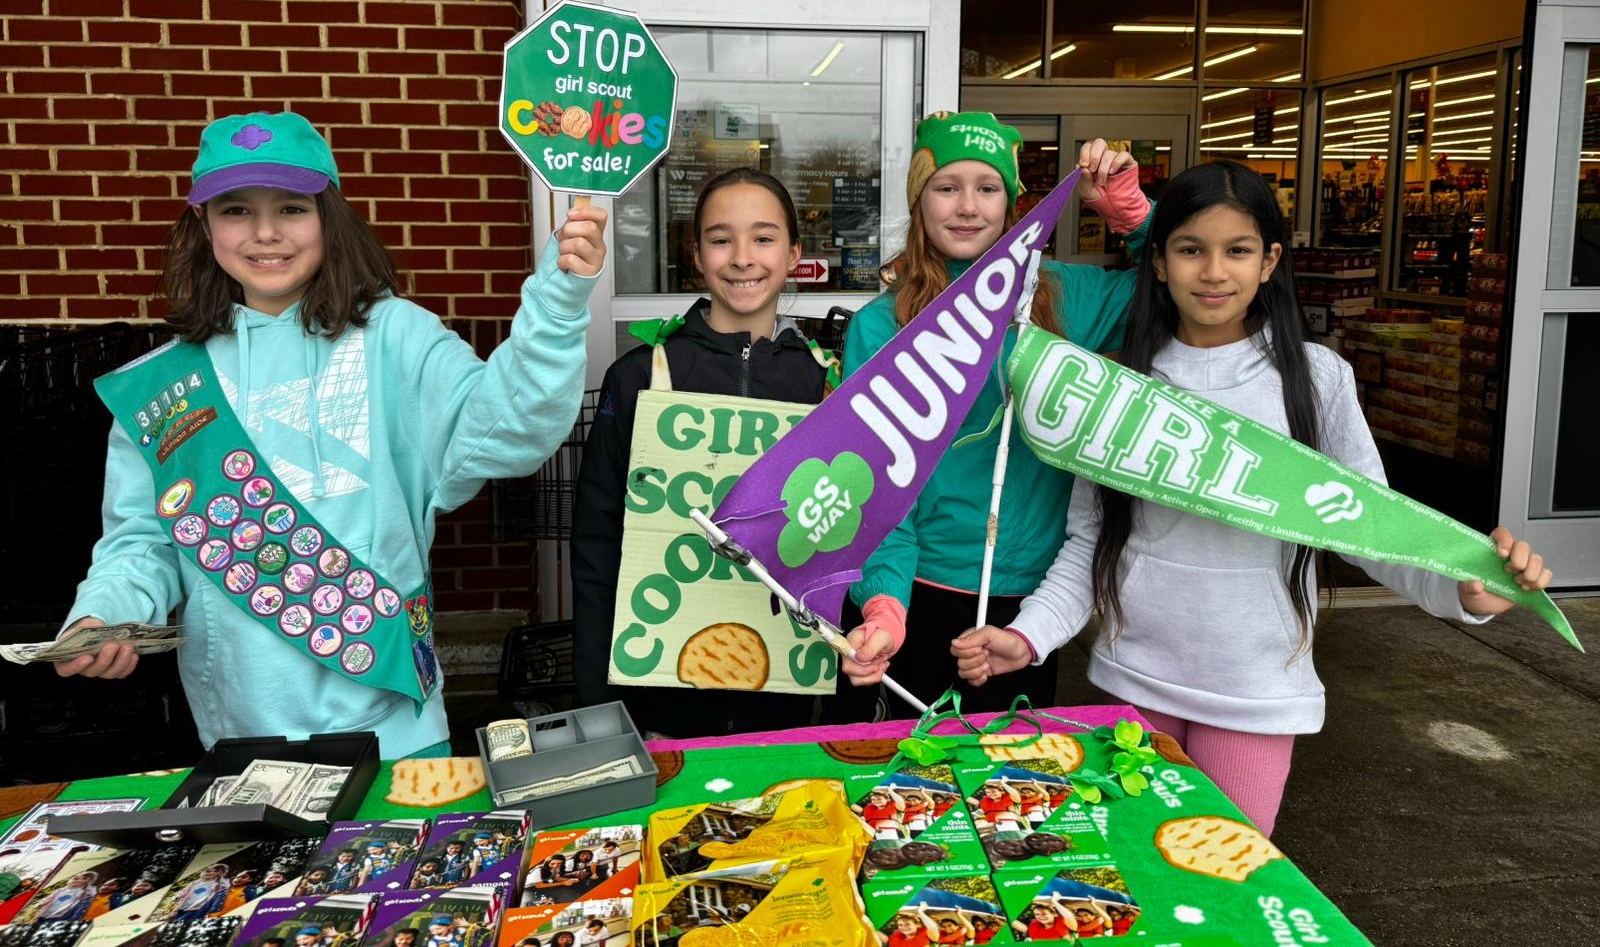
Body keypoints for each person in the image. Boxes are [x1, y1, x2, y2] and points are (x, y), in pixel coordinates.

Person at [951, 160, 1554, 835]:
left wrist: (1464, 588)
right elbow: (1090, 543)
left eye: (1237, 250)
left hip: (1256, 696)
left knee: (1224, 890)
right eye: (1190, 250)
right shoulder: (1117, 387)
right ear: (1157, 262)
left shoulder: (1316, 379)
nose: (1213, 272)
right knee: (1139, 891)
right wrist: (1025, 637)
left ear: (1269, 261)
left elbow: (1371, 529)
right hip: (1134, 684)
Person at [52, 111, 606, 759]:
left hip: (397, 729)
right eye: (235, 211)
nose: (264, 233)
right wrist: (105, 611)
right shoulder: (163, 388)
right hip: (241, 740)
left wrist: (560, 299)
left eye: (291, 208)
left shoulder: (397, 338)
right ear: (202, 224)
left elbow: (509, 425)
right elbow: (143, 540)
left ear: (328, 217)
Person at [835, 113, 1151, 716]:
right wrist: (883, 606)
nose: (967, 206)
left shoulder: (1068, 296)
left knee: (1013, 790)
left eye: (988, 187)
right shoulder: (881, 326)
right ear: (919, 200)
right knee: (905, 795)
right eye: (946, 186)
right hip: (915, 593)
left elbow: (1186, 283)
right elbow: (875, 482)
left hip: (1030, 606)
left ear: (1013, 202)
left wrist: (1132, 216)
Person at [571, 167, 831, 737]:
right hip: (658, 687)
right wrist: (600, 706)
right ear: (696, 254)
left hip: (785, 690)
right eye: (721, 239)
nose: (743, 257)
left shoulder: (825, 385)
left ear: (794, 254)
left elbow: (843, 547)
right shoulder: (637, 377)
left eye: (764, 238)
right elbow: (597, 545)